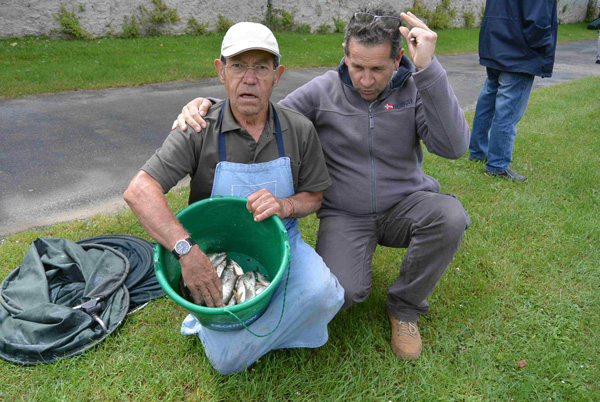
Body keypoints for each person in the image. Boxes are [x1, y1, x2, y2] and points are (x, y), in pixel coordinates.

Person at [173, 4, 470, 361]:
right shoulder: (322, 91)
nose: (365, 79)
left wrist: (429, 71)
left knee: (450, 216)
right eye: (356, 66)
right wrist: (210, 104)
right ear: (345, 55)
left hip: (406, 205)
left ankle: (404, 307)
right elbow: (265, 114)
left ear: (398, 60)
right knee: (341, 294)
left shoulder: (416, 87)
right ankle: (353, 267)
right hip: (346, 215)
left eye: (377, 69)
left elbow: (454, 147)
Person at [124, 22, 344, 374]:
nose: (250, 78)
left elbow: (314, 197)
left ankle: (241, 329)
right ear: (221, 71)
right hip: (210, 248)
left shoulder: (299, 129)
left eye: (261, 67)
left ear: (277, 75)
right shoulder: (198, 126)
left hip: (280, 242)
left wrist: (286, 205)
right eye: (239, 66)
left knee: (329, 295)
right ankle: (238, 330)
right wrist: (187, 251)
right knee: (227, 363)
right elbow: (139, 190)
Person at [469, 0, 558, 182]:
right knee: (508, 108)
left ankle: (478, 151)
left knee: (490, 96)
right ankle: (497, 165)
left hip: (496, 41)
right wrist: (543, 46)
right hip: (519, 49)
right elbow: (538, 20)